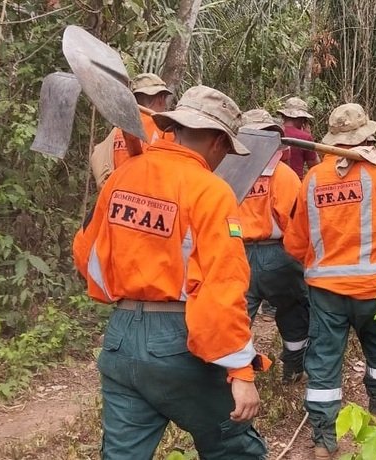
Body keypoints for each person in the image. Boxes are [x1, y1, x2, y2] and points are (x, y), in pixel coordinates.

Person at [73, 85, 270, 460]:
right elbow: (222, 286)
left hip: (120, 339)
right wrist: (241, 372)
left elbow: (86, 256)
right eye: (227, 149)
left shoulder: (121, 176)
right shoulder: (210, 191)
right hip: (178, 343)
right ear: (216, 141)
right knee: (235, 448)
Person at [283, 103, 376, 459]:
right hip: (375, 288)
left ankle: (323, 439)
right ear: (365, 136)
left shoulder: (312, 179)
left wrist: (324, 260)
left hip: (326, 292)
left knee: (323, 360)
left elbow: (294, 243)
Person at [237, 108, 309, 383]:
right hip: (277, 254)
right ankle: (293, 369)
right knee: (293, 311)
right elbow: (295, 223)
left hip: (238, 253)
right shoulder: (282, 175)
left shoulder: (228, 172)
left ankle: (234, 374)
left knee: (238, 317)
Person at [90, 73, 173, 187]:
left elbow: (100, 162)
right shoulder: (165, 130)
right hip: (148, 197)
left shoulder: (118, 129)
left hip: (118, 194)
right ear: (161, 98)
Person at [277, 97, 320, 179]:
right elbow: (315, 167)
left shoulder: (273, 133)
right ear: (302, 119)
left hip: (272, 182)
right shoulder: (304, 137)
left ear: (283, 116)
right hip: (295, 183)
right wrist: (310, 139)